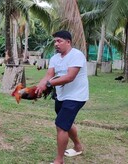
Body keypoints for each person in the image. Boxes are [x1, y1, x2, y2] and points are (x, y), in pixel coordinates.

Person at [35, 30, 89, 164]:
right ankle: (78, 146)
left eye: (59, 41)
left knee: (61, 125)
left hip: (76, 96)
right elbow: (49, 75)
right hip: (61, 96)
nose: (56, 44)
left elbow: (70, 77)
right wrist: (39, 87)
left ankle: (59, 161)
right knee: (66, 122)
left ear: (68, 42)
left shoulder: (77, 55)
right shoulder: (54, 58)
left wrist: (48, 84)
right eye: (55, 41)